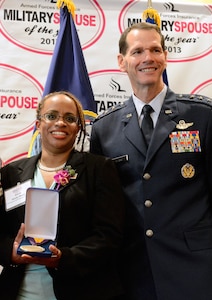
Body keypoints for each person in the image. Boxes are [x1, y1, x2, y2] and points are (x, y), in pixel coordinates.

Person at [90, 22, 212, 300]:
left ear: (165, 56)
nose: (148, 58)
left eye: (155, 50)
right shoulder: (105, 128)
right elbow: (105, 206)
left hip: (198, 271)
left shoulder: (204, 115)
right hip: (136, 274)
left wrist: (209, 248)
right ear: (122, 61)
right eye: (138, 51)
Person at [0, 91, 125, 300]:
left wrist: (64, 258)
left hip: (83, 290)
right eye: (52, 116)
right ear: (39, 124)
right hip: (19, 292)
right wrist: (10, 253)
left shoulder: (99, 169)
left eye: (69, 118)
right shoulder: (12, 173)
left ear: (78, 128)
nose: (61, 123)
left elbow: (109, 236)